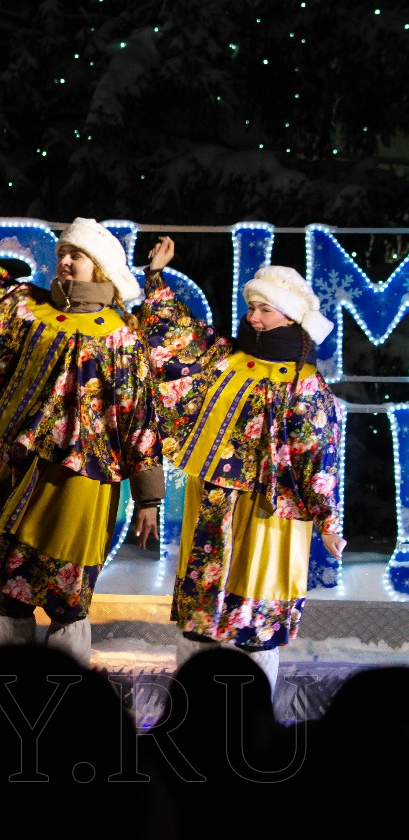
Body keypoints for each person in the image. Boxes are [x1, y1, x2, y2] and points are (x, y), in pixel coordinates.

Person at [0, 151, 164, 666]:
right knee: (12, 589)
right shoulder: (27, 307)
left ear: (99, 266)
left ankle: (68, 693)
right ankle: (10, 684)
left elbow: (139, 417)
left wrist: (148, 497)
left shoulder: (121, 336)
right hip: (18, 468)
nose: (65, 260)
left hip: (81, 479)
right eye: (63, 251)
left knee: (66, 594)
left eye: (77, 254)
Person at [141, 237, 344, 691]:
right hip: (213, 502)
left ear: (290, 316)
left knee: (256, 619)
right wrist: (155, 278)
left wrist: (328, 520)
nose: (254, 317)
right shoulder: (225, 358)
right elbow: (176, 335)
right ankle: (191, 705)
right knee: (199, 616)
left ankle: (255, 715)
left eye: (265, 310)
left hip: (269, 509)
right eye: (252, 307)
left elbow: (318, 456)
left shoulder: (305, 385)